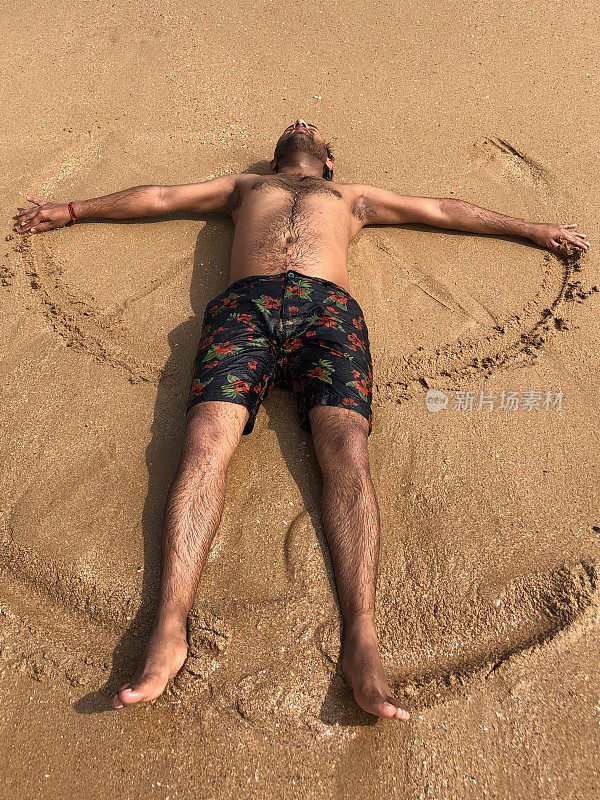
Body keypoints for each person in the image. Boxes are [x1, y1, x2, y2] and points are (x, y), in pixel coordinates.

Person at [14, 118, 589, 721]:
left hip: (328, 312)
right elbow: (158, 197)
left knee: (346, 453)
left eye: (313, 128)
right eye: (293, 127)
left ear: (329, 164)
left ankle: (361, 639)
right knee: (205, 443)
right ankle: (169, 628)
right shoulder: (243, 188)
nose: (301, 121)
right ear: (275, 160)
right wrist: (74, 209)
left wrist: (533, 229)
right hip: (245, 307)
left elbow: (443, 210)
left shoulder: (352, 197)